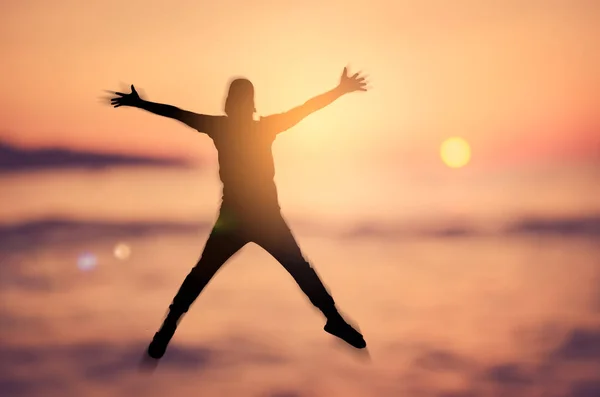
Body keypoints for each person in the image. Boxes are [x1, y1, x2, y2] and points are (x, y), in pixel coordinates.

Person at [109, 67, 369, 359]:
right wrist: (141, 103)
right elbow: (178, 112)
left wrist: (141, 103)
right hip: (246, 219)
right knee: (217, 273)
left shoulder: (236, 127)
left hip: (253, 218)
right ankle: (168, 326)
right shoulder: (250, 127)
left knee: (288, 270)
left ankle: (333, 319)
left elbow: (304, 109)